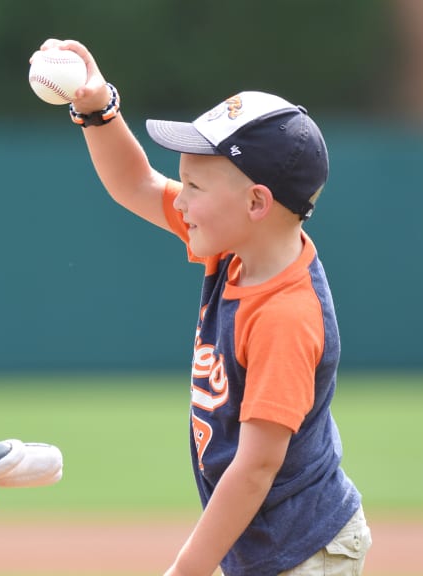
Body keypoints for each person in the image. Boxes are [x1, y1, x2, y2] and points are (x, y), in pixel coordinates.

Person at [34, 39, 371, 575]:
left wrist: (186, 569)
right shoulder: (235, 250)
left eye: (193, 184)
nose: (180, 199)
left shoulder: (285, 314)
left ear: (257, 202)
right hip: (267, 544)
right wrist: (98, 111)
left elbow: (257, 467)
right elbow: (136, 184)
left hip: (306, 551)